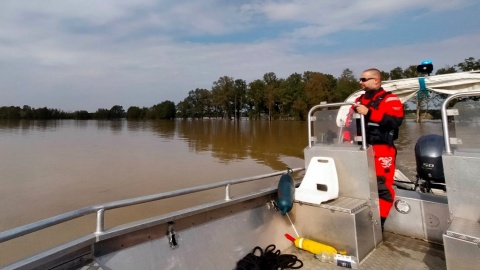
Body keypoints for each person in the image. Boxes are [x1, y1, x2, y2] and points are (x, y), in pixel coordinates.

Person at [343, 68, 404, 231]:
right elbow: (349, 124)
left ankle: (379, 224)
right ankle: (362, 219)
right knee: (357, 183)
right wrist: (346, 143)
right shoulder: (357, 100)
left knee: (382, 187)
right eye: (360, 79)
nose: (360, 82)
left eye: (364, 79)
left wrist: (369, 112)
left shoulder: (391, 99)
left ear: (376, 80)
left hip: (381, 149)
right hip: (359, 149)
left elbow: (395, 122)